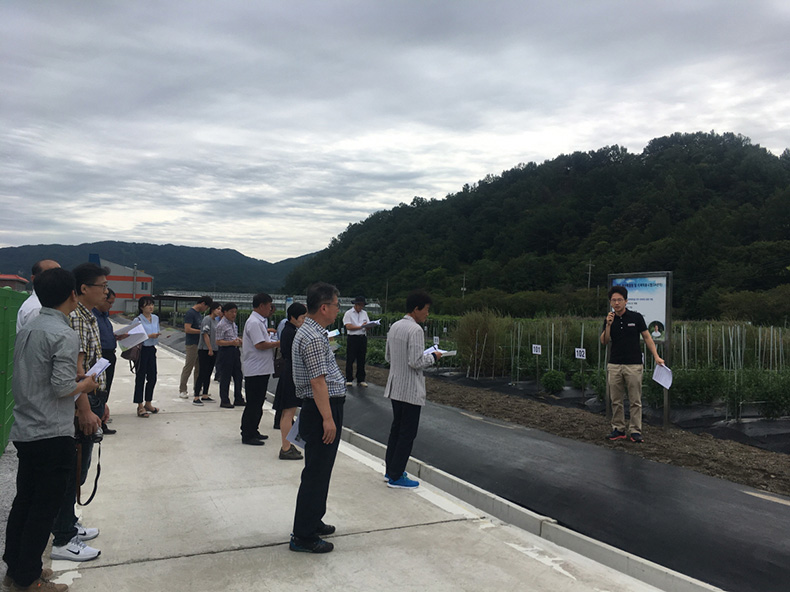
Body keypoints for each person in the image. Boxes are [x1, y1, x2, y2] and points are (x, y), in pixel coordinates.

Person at [2, 268, 100, 592]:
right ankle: (29, 579)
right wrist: (86, 383)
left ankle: (17, 567)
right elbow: (61, 387)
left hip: (27, 429)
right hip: (51, 432)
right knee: (43, 509)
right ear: (73, 294)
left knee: (25, 502)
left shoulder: (30, 325)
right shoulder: (63, 333)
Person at [51, 262, 109, 563]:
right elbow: (76, 370)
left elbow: (91, 367)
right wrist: (86, 410)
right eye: (101, 286)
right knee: (72, 472)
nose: (106, 291)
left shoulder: (89, 316)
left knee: (79, 470)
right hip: (79, 405)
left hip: (90, 399)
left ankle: (69, 524)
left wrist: (100, 401)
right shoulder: (75, 318)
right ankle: (63, 537)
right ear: (83, 288)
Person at [290, 283, 346, 553]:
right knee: (316, 472)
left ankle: (313, 519)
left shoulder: (313, 332)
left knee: (321, 469)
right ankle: (303, 535)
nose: (338, 310)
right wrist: (328, 418)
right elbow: (318, 382)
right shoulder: (312, 337)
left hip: (321, 406)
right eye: (336, 305)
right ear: (324, 307)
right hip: (320, 407)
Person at [383, 291, 441, 489]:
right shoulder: (415, 330)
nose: (427, 314)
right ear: (416, 309)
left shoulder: (395, 327)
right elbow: (416, 361)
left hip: (395, 385)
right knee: (407, 433)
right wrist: (434, 357)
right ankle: (396, 476)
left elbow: (388, 357)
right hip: (410, 389)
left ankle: (390, 469)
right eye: (426, 310)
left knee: (396, 429)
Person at [600, 286, 665, 444]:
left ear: (626, 301)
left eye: (619, 300)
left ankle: (635, 431)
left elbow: (647, 337)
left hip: (634, 364)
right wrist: (608, 324)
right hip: (614, 364)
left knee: (635, 400)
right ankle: (619, 429)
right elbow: (604, 341)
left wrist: (656, 356)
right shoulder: (609, 319)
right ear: (610, 302)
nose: (616, 303)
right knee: (616, 399)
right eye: (614, 300)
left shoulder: (636, 317)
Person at [240, 294, 279, 445]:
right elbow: (260, 344)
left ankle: (254, 430)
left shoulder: (259, 321)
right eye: (269, 305)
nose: (270, 309)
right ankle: (247, 434)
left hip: (261, 368)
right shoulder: (254, 322)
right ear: (261, 305)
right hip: (255, 369)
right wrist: (278, 344)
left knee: (258, 403)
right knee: (253, 404)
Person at [273, 302, 307, 460]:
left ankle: (288, 444)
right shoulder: (291, 332)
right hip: (290, 374)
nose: (304, 320)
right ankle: (286, 447)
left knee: (288, 412)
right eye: (302, 317)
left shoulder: (290, 329)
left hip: (289, 372)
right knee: (288, 412)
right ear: (293, 317)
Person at [92, 289, 124, 434]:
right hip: (101, 356)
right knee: (99, 390)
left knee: (106, 388)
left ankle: (102, 418)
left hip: (110, 355)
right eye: (109, 302)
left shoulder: (105, 316)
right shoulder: (93, 316)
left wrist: (115, 337)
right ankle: (98, 422)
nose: (111, 306)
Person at [179, 296, 212, 398]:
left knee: (198, 368)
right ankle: (182, 389)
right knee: (189, 366)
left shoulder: (198, 314)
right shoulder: (190, 313)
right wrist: (202, 332)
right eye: (206, 307)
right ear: (202, 304)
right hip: (192, 344)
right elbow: (187, 329)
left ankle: (197, 388)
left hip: (199, 344)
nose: (205, 309)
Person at [134, 296, 161, 418]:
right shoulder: (137, 320)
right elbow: (133, 337)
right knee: (140, 378)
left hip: (152, 350)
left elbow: (158, 331)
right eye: (147, 305)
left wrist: (156, 336)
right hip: (141, 351)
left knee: (152, 377)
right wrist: (149, 336)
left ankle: (148, 403)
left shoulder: (155, 318)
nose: (151, 307)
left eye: (152, 304)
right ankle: (140, 405)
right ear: (141, 307)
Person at [16, 259, 61, 331]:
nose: (57, 278)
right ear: (33, 279)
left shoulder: (41, 304)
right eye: (51, 274)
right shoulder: (37, 308)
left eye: (59, 274)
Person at [193, 302, 222, 406]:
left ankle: (205, 394)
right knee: (202, 372)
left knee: (209, 372)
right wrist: (209, 348)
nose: (219, 311)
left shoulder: (216, 321)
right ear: (213, 309)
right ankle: (196, 395)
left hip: (214, 349)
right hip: (205, 349)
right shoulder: (207, 319)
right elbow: (205, 334)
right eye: (218, 309)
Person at [216, 303, 244, 409]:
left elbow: (233, 336)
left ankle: (238, 398)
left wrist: (237, 341)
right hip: (226, 352)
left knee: (238, 375)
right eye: (231, 312)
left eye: (235, 312)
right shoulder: (221, 325)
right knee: (226, 377)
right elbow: (218, 341)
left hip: (235, 351)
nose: (234, 314)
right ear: (225, 312)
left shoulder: (232, 323)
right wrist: (231, 343)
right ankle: (224, 400)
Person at [343, 295, 370, 387]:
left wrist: (368, 326)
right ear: (356, 304)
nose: (361, 307)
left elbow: (367, 325)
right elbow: (348, 326)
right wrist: (361, 326)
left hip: (362, 337)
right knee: (350, 358)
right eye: (359, 305)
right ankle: (349, 378)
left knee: (361, 358)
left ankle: (361, 379)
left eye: (362, 305)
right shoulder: (348, 313)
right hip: (352, 337)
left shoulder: (364, 313)